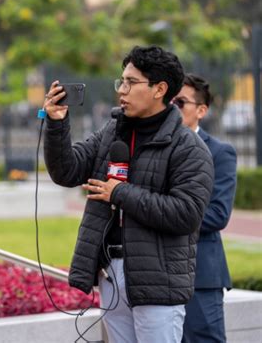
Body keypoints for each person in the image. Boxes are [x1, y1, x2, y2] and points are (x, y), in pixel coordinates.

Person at [42, 46, 214, 343]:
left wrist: (119, 193)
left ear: (159, 89)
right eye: (121, 81)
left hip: (157, 281)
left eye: (131, 83)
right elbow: (66, 171)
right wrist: (57, 123)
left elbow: (185, 214)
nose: (122, 90)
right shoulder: (112, 131)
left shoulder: (188, 148)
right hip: (110, 274)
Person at [174, 73, 237, 343]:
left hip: (201, 275)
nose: (172, 107)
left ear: (201, 110)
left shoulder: (220, 152)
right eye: (169, 101)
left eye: (180, 102)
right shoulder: (150, 146)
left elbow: (217, 214)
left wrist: (163, 217)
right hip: (156, 276)